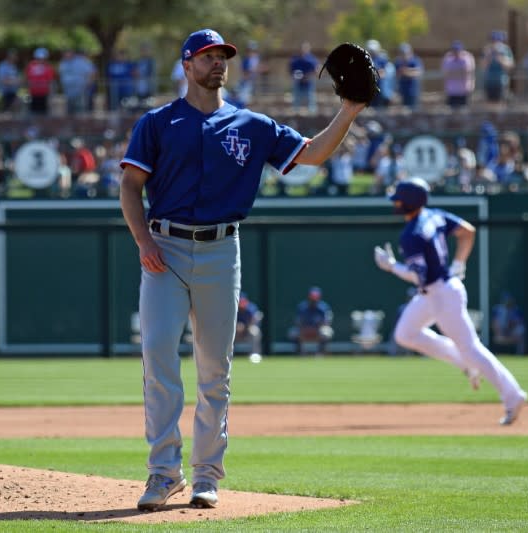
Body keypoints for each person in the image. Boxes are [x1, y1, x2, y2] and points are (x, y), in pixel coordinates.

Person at [119, 28, 366, 512]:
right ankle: (163, 472)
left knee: (215, 370)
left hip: (220, 250)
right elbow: (131, 186)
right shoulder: (157, 122)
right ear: (187, 65)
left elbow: (313, 154)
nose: (218, 62)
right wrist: (143, 239)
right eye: (208, 56)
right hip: (163, 248)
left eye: (223, 56)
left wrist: (349, 110)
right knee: (158, 357)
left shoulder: (252, 125)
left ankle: (207, 476)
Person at [373, 177, 528, 425]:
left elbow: (417, 276)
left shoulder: (411, 234)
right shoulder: (434, 215)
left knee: (472, 348)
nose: (396, 203)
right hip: (436, 291)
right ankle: (464, 364)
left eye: (399, 199)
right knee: (405, 333)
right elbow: (468, 232)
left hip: (441, 294)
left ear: (410, 202)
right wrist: (459, 263)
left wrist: (392, 267)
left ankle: (513, 396)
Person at [288, 287, 335, 354]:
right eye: (312, 297)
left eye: (315, 297)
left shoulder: (324, 307)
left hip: (318, 330)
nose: (313, 300)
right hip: (304, 329)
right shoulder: (302, 307)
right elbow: (298, 322)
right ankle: (300, 352)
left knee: (326, 332)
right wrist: (305, 329)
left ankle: (320, 352)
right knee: (293, 332)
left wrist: (315, 329)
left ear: (319, 297)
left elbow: (327, 322)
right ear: (309, 297)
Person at [480, 30, 515, 105]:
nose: (495, 43)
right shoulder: (487, 50)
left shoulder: (506, 50)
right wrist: (489, 56)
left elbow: (510, 66)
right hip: (489, 81)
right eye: (493, 40)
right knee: (489, 103)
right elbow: (483, 66)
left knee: (500, 103)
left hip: (501, 81)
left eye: (498, 40)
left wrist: (499, 58)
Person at [441, 40, 475, 109]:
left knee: (464, 112)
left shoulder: (466, 58)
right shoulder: (448, 59)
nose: (456, 52)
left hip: (463, 91)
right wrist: (459, 72)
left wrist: (453, 73)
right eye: (454, 50)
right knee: (451, 112)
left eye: (458, 50)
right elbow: (446, 74)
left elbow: (467, 72)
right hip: (451, 91)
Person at [289, 41, 318, 112]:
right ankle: (296, 113)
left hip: (308, 82)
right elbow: (291, 70)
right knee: (296, 99)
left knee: (310, 99)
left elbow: (316, 70)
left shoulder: (312, 59)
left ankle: (312, 114)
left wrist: (307, 76)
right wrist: (295, 76)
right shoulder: (295, 59)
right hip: (298, 82)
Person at [25, 48, 56, 115]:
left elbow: (50, 82)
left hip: (44, 94)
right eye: (38, 58)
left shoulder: (48, 67)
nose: (40, 60)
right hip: (33, 94)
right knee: (33, 113)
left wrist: (51, 95)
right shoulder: (31, 66)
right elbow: (28, 80)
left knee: (43, 114)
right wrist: (27, 92)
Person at [394, 43, 423, 109]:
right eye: (402, 53)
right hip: (402, 91)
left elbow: (418, 72)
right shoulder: (398, 62)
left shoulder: (415, 61)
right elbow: (396, 74)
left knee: (413, 110)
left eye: (405, 53)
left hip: (413, 91)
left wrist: (406, 72)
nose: (404, 55)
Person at [235, 292, 263, 357]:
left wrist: (245, 326)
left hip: (247, 330)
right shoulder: (233, 308)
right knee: (227, 332)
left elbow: (257, 318)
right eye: (240, 301)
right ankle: (228, 355)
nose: (241, 303)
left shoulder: (251, 308)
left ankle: (255, 354)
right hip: (235, 331)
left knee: (254, 331)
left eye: (243, 301)